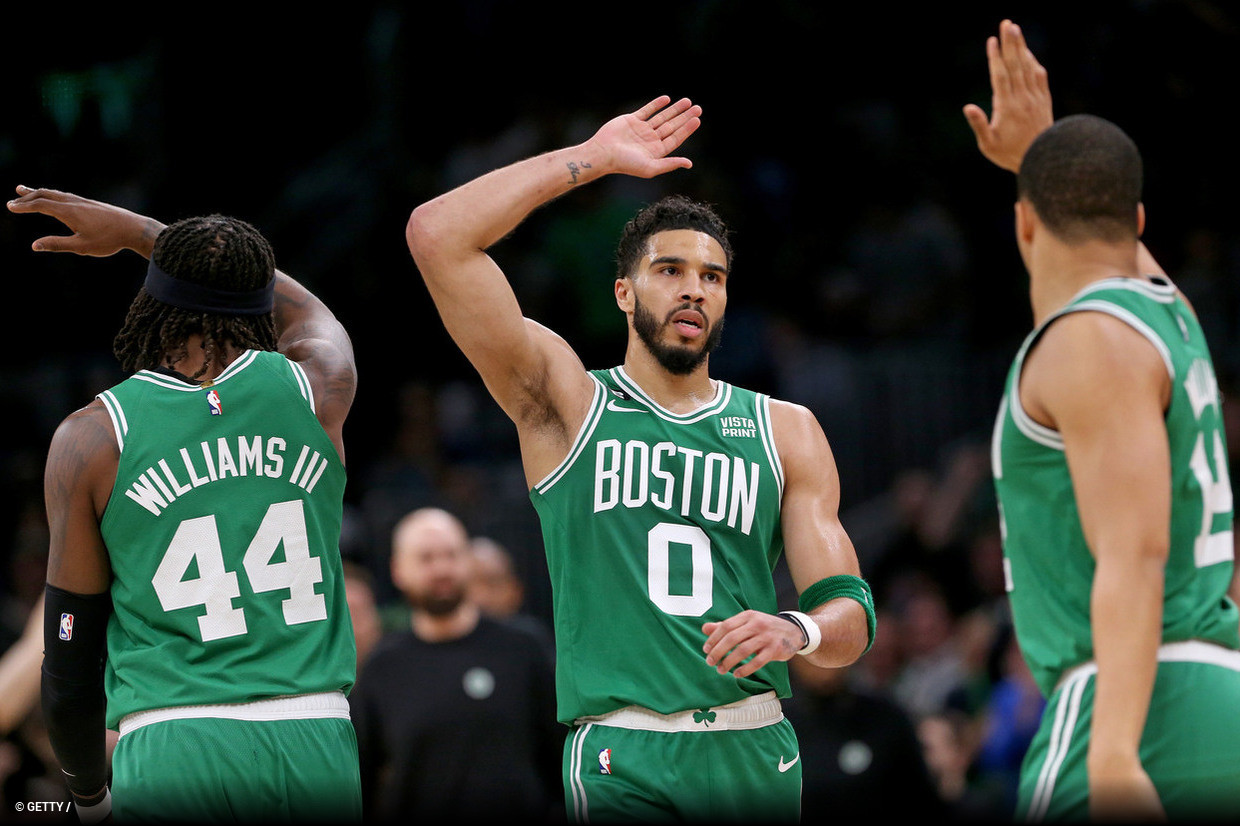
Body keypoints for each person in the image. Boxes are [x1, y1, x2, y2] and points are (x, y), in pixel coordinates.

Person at [405, 96, 875, 822]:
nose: (694, 287)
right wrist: (594, 159)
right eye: (670, 270)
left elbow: (850, 617)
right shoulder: (567, 404)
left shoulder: (786, 430)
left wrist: (798, 630)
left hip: (756, 749)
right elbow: (436, 235)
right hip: (625, 753)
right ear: (624, 292)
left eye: (712, 277)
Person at [7, 186, 363, 822]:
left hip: (173, 740)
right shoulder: (317, 387)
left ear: (153, 301)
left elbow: (69, 650)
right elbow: (313, 313)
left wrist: (86, 793)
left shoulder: (92, 439)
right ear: (256, 303)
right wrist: (145, 234)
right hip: (313, 732)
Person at [964, 20, 1240, 821]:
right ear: (1141, 224)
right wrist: (1040, 156)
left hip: (1132, 708)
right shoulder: (1169, 316)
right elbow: (1101, 222)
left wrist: (1114, 753)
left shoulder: (1088, 341)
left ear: (1023, 225)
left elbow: (1136, 551)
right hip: (1211, 695)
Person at [348, 507, 561, 821]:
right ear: (398, 570)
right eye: (426, 558)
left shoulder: (525, 648)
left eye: (451, 554)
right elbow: (362, 779)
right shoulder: (383, 666)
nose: (441, 569)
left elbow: (561, 759)